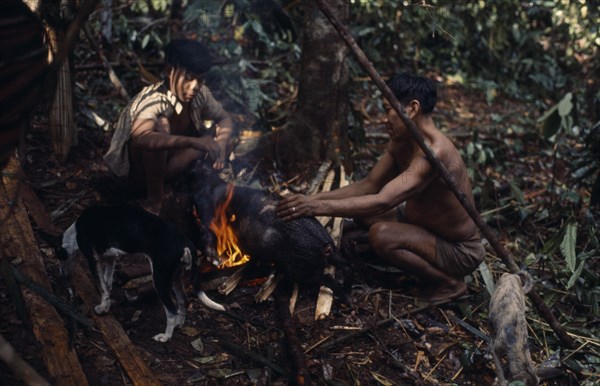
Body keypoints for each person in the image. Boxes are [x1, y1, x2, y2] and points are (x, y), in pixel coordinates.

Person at [277, 72, 485, 303]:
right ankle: (394, 249)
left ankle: (449, 284)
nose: (383, 119)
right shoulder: (401, 140)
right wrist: (311, 199)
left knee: (381, 235)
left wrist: (313, 207)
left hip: (457, 251)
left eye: (387, 109)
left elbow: (383, 200)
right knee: (366, 216)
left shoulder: (435, 152)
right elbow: (370, 184)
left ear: (412, 109)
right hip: (420, 226)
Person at [104, 39, 234, 215]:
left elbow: (224, 118)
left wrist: (222, 142)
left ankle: (190, 190)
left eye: (200, 80)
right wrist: (193, 141)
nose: (195, 86)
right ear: (169, 71)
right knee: (160, 128)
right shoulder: (154, 99)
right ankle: (154, 200)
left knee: (215, 141)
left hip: (170, 168)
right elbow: (141, 137)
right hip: (138, 178)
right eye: (188, 78)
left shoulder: (200, 95)